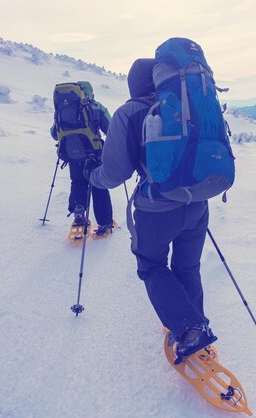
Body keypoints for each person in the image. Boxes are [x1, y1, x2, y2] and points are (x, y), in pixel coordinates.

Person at [86, 58, 216, 359]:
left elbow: (115, 173)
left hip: (157, 208)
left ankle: (190, 327)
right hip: (197, 202)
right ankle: (193, 321)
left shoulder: (129, 113)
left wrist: (92, 176)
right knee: (187, 266)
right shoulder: (188, 106)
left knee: (152, 265)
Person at [50, 81, 115, 235]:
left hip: (72, 154)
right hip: (94, 153)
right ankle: (105, 223)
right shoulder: (96, 107)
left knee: (78, 182)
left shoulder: (63, 109)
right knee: (98, 185)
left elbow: (54, 134)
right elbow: (111, 129)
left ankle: (79, 211)